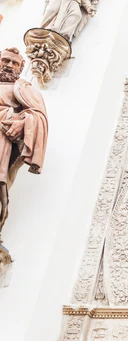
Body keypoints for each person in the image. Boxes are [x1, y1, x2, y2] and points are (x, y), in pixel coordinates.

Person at [0, 47, 49, 240]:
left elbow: (39, 116)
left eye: (14, 63)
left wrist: (23, 122)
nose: (9, 66)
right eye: (5, 61)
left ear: (21, 69)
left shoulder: (21, 88)